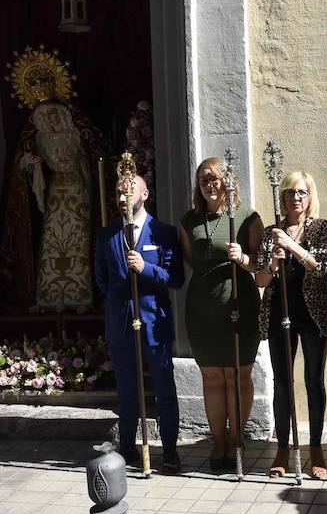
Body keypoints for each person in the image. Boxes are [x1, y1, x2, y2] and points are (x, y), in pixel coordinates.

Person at [94, 174, 185, 474]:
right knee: (127, 389)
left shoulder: (163, 232)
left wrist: (146, 269)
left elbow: (175, 278)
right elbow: (102, 280)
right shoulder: (106, 236)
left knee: (163, 387)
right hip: (120, 323)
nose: (122, 197)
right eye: (118, 192)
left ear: (145, 194)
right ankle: (128, 447)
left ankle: (170, 450)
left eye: (129, 191)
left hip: (153, 321)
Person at [180, 157, 263, 471]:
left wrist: (241, 258)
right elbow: (191, 260)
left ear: (228, 181)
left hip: (239, 304)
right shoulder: (189, 221)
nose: (210, 184)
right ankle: (219, 441)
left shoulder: (247, 218)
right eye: (204, 180)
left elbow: (260, 264)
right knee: (212, 375)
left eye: (215, 178)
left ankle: (238, 438)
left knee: (237, 374)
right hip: (203, 309)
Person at [254, 171, 327, 479]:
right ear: (283, 197)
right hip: (279, 313)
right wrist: (273, 263)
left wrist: (291, 245)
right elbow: (260, 279)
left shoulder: (320, 228)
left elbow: (320, 268)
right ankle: (283, 449)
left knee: (314, 381)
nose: (296, 198)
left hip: (313, 314)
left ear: (309, 196)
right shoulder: (270, 232)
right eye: (290, 192)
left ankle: (315, 449)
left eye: (302, 192)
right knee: (282, 382)